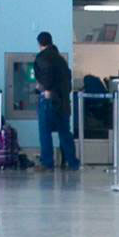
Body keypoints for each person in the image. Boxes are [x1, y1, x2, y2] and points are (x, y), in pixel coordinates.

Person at [34, 31, 79, 171]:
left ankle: (47, 162)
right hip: (63, 101)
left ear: (40, 43)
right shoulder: (61, 59)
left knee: (45, 132)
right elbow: (67, 79)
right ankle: (72, 162)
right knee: (65, 132)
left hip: (49, 100)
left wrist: (44, 88)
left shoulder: (43, 57)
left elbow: (47, 74)